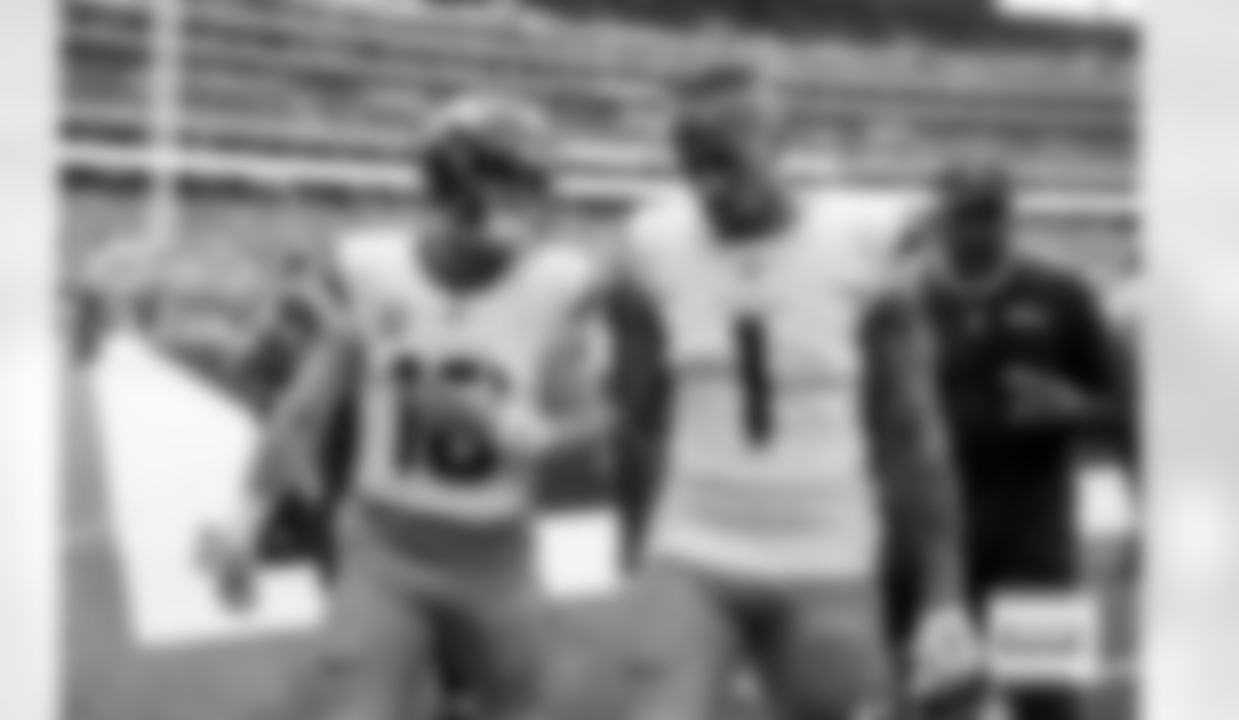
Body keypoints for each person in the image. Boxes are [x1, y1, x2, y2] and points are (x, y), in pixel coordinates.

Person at [202, 93, 613, 720]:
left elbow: (603, 419)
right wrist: (240, 527)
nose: (531, 205)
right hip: (384, 549)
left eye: (535, 185)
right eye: (513, 184)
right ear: (455, 183)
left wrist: (521, 434)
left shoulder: (559, 283)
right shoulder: (371, 268)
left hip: (497, 555)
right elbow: (302, 412)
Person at [615, 58, 977, 720]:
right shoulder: (651, 244)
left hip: (825, 553)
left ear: (781, 145)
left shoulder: (864, 245)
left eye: (729, 163)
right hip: (693, 545)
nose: (711, 187)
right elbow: (640, 420)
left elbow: (912, 433)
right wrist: (637, 552)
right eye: (694, 168)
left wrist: (943, 595)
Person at [906, 165, 1124, 720]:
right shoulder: (901, 301)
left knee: (1044, 699)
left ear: (1011, 217)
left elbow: (1125, 409)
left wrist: (1075, 409)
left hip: (1033, 540)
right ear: (938, 219)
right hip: (932, 546)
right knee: (937, 701)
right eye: (965, 216)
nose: (978, 231)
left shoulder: (1062, 294)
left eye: (991, 215)